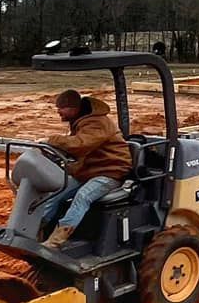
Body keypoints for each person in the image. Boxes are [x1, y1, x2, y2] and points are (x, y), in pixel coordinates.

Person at [37, 89, 133, 250]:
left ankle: (55, 241)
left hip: (110, 171)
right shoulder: (82, 121)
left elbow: (80, 144)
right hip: (89, 171)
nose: (58, 112)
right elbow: (75, 146)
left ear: (73, 108)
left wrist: (51, 140)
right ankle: (35, 229)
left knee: (83, 196)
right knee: (55, 193)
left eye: (61, 108)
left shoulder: (97, 123)